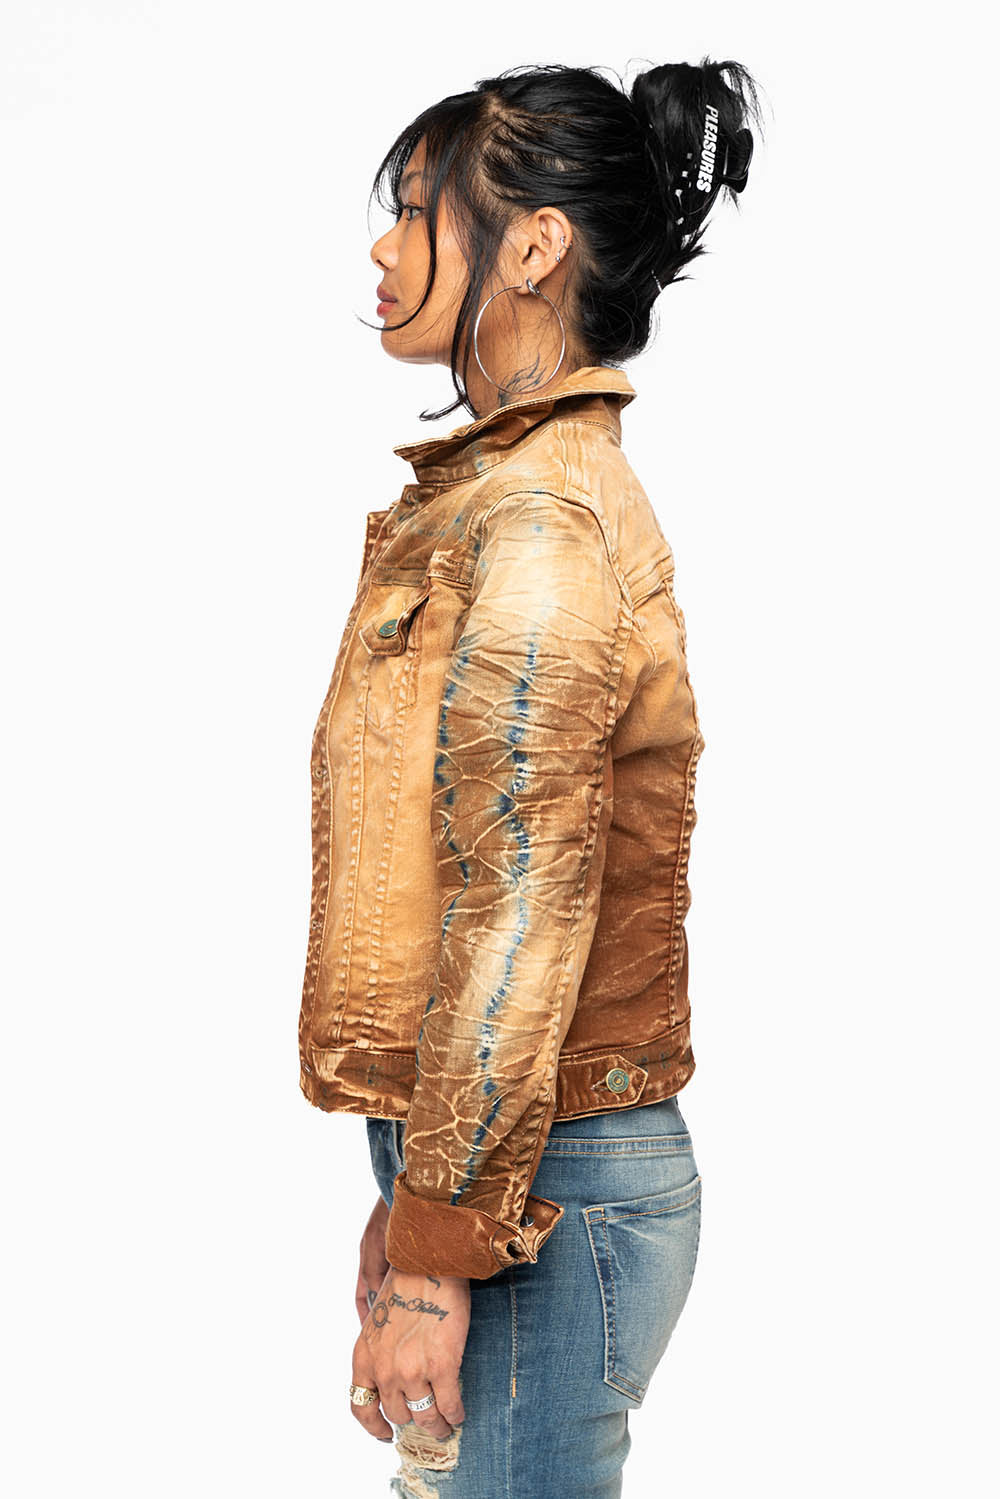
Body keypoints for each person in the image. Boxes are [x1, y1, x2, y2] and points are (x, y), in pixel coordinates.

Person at [297, 57, 763, 1498]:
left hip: (551, 1192)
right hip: (516, 1176)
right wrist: (411, 1197)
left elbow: (522, 905)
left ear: (535, 247)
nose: (384, 252)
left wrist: (440, 1243)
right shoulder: (500, 499)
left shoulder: (546, 516)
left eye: (418, 210)